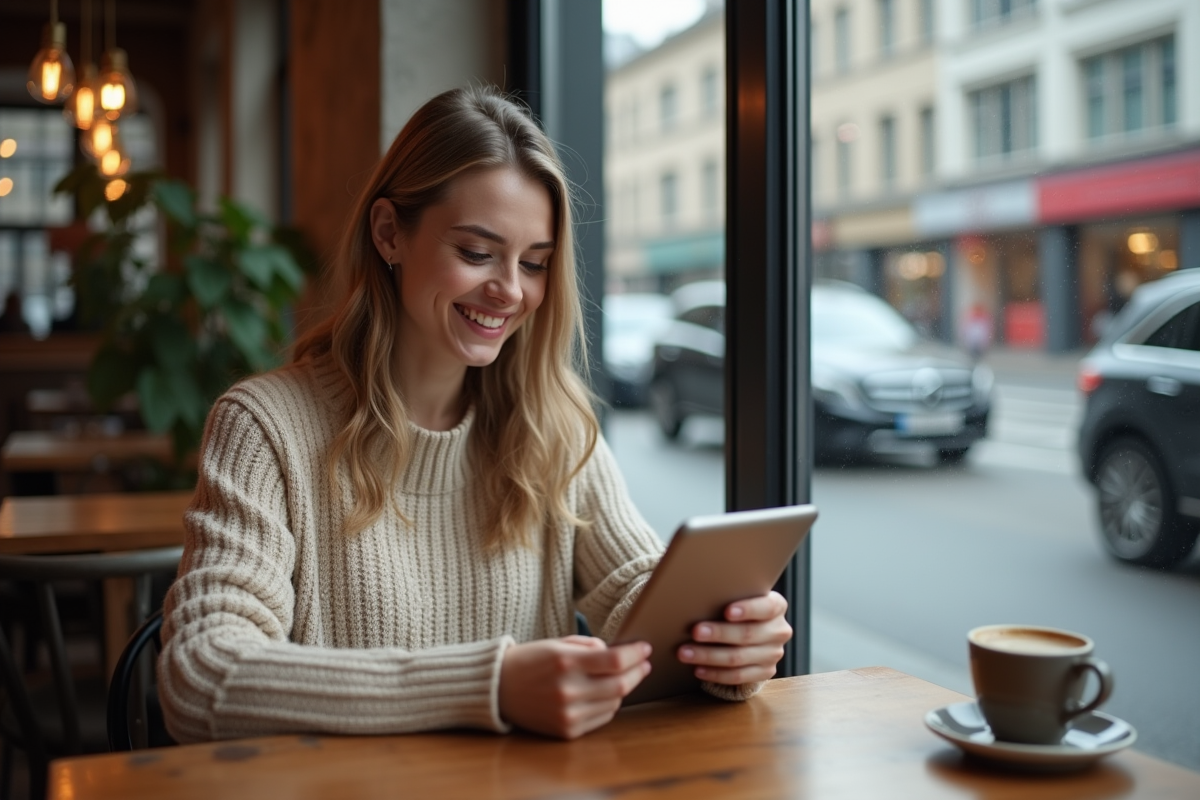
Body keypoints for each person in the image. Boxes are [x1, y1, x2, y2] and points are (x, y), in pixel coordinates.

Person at [159, 86, 791, 744]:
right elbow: (202, 676)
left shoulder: (553, 426)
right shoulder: (264, 428)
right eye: (476, 253)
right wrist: (489, 686)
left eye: (535, 263)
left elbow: (636, 588)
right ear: (388, 234)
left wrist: (724, 640)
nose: (511, 291)